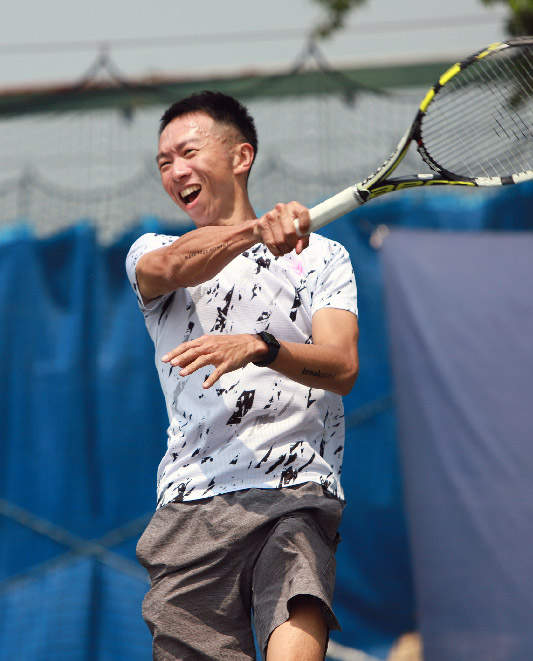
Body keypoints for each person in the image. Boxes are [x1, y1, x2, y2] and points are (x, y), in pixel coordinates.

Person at [125, 90, 359, 660]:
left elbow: (342, 367)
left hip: (295, 491)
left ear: (240, 156)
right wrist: (256, 232)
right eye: (164, 162)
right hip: (191, 505)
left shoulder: (324, 257)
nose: (176, 170)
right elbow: (177, 265)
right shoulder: (150, 251)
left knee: (297, 588)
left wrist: (262, 346)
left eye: (188, 152)